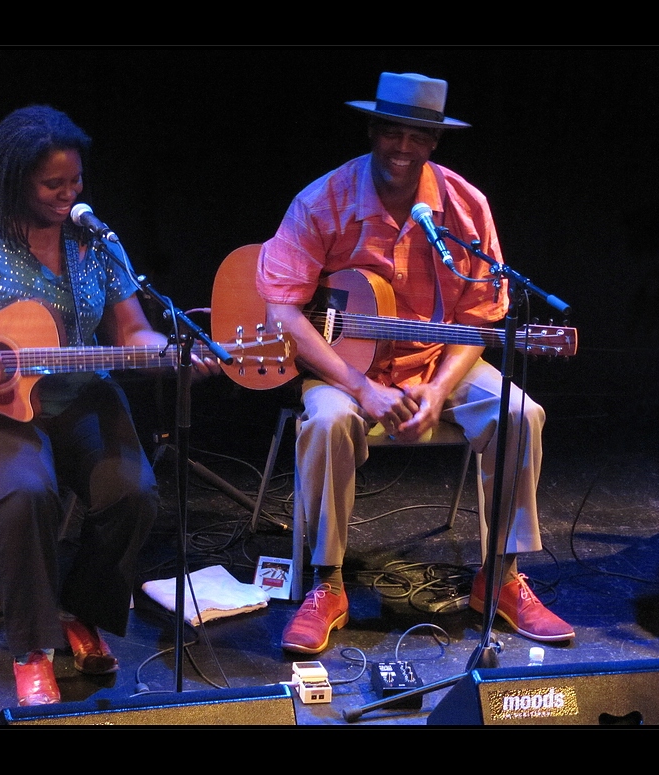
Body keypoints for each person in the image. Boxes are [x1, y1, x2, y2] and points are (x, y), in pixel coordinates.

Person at [0, 104, 218, 706]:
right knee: (27, 493)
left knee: (136, 495)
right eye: (54, 184)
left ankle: (79, 611)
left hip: (82, 397)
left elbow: (133, 335)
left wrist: (175, 352)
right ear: (16, 178)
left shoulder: (95, 242)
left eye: (75, 181)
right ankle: (31, 649)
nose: (68, 194)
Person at [256, 71, 575, 654]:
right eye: (392, 134)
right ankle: (326, 583)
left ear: (434, 143)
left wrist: (437, 389)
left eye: (418, 137)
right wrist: (360, 385)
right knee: (328, 421)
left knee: (520, 414)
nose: (403, 149)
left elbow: (478, 318)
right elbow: (282, 308)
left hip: (434, 359)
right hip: (344, 367)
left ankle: (499, 578)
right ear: (374, 131)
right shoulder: (322, 201)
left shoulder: (464, 207)